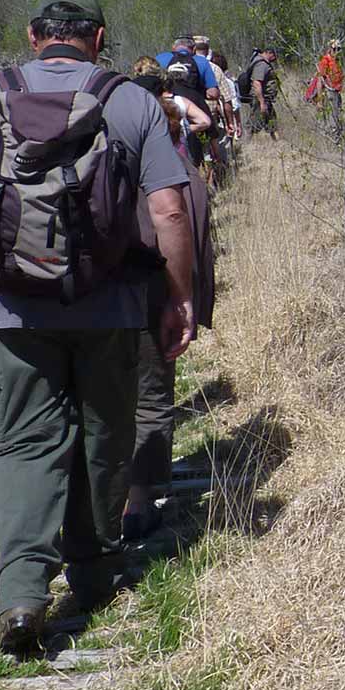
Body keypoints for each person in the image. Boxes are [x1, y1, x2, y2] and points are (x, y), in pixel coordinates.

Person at [0, 0, 195, 657]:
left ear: (33, 36)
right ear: (99, 39)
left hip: (17, 308)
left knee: (25, 442)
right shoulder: (130, 101)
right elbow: (168, 209)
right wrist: (177, 297)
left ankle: (22, 592)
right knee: (104, 435)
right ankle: (95, 573)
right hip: (110, 307)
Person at [121, 64, 216, 546]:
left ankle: (104, 498)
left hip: (103, 303)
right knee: (153, 399)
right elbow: (198, 249)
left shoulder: (105, 170)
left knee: (107, 399)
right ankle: (141, 502)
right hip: (156, 301)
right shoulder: (185, 180)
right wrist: (189, 304)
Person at [240, 46, 281, 138]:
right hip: (260, 99)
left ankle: (277, 141)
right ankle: (246, 142)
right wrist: (262, 102)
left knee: (271, 122)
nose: (275, 58)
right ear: (269, 53)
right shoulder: (262, 65)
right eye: (275, 56)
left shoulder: (263, 63)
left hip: (265, 99)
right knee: (253, 123)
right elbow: (257, 83)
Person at [309, 39, 345, 138]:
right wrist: (320, 101)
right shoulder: (325, 61)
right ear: (330, 49)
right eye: (334, 49)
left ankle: (336, 137)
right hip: (328, 93)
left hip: (336, 93)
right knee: (331, 120)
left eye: (338, 49)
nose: (336, 51)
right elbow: (320, 81)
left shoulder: (337, 61)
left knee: (337, 117)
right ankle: (332, 138)